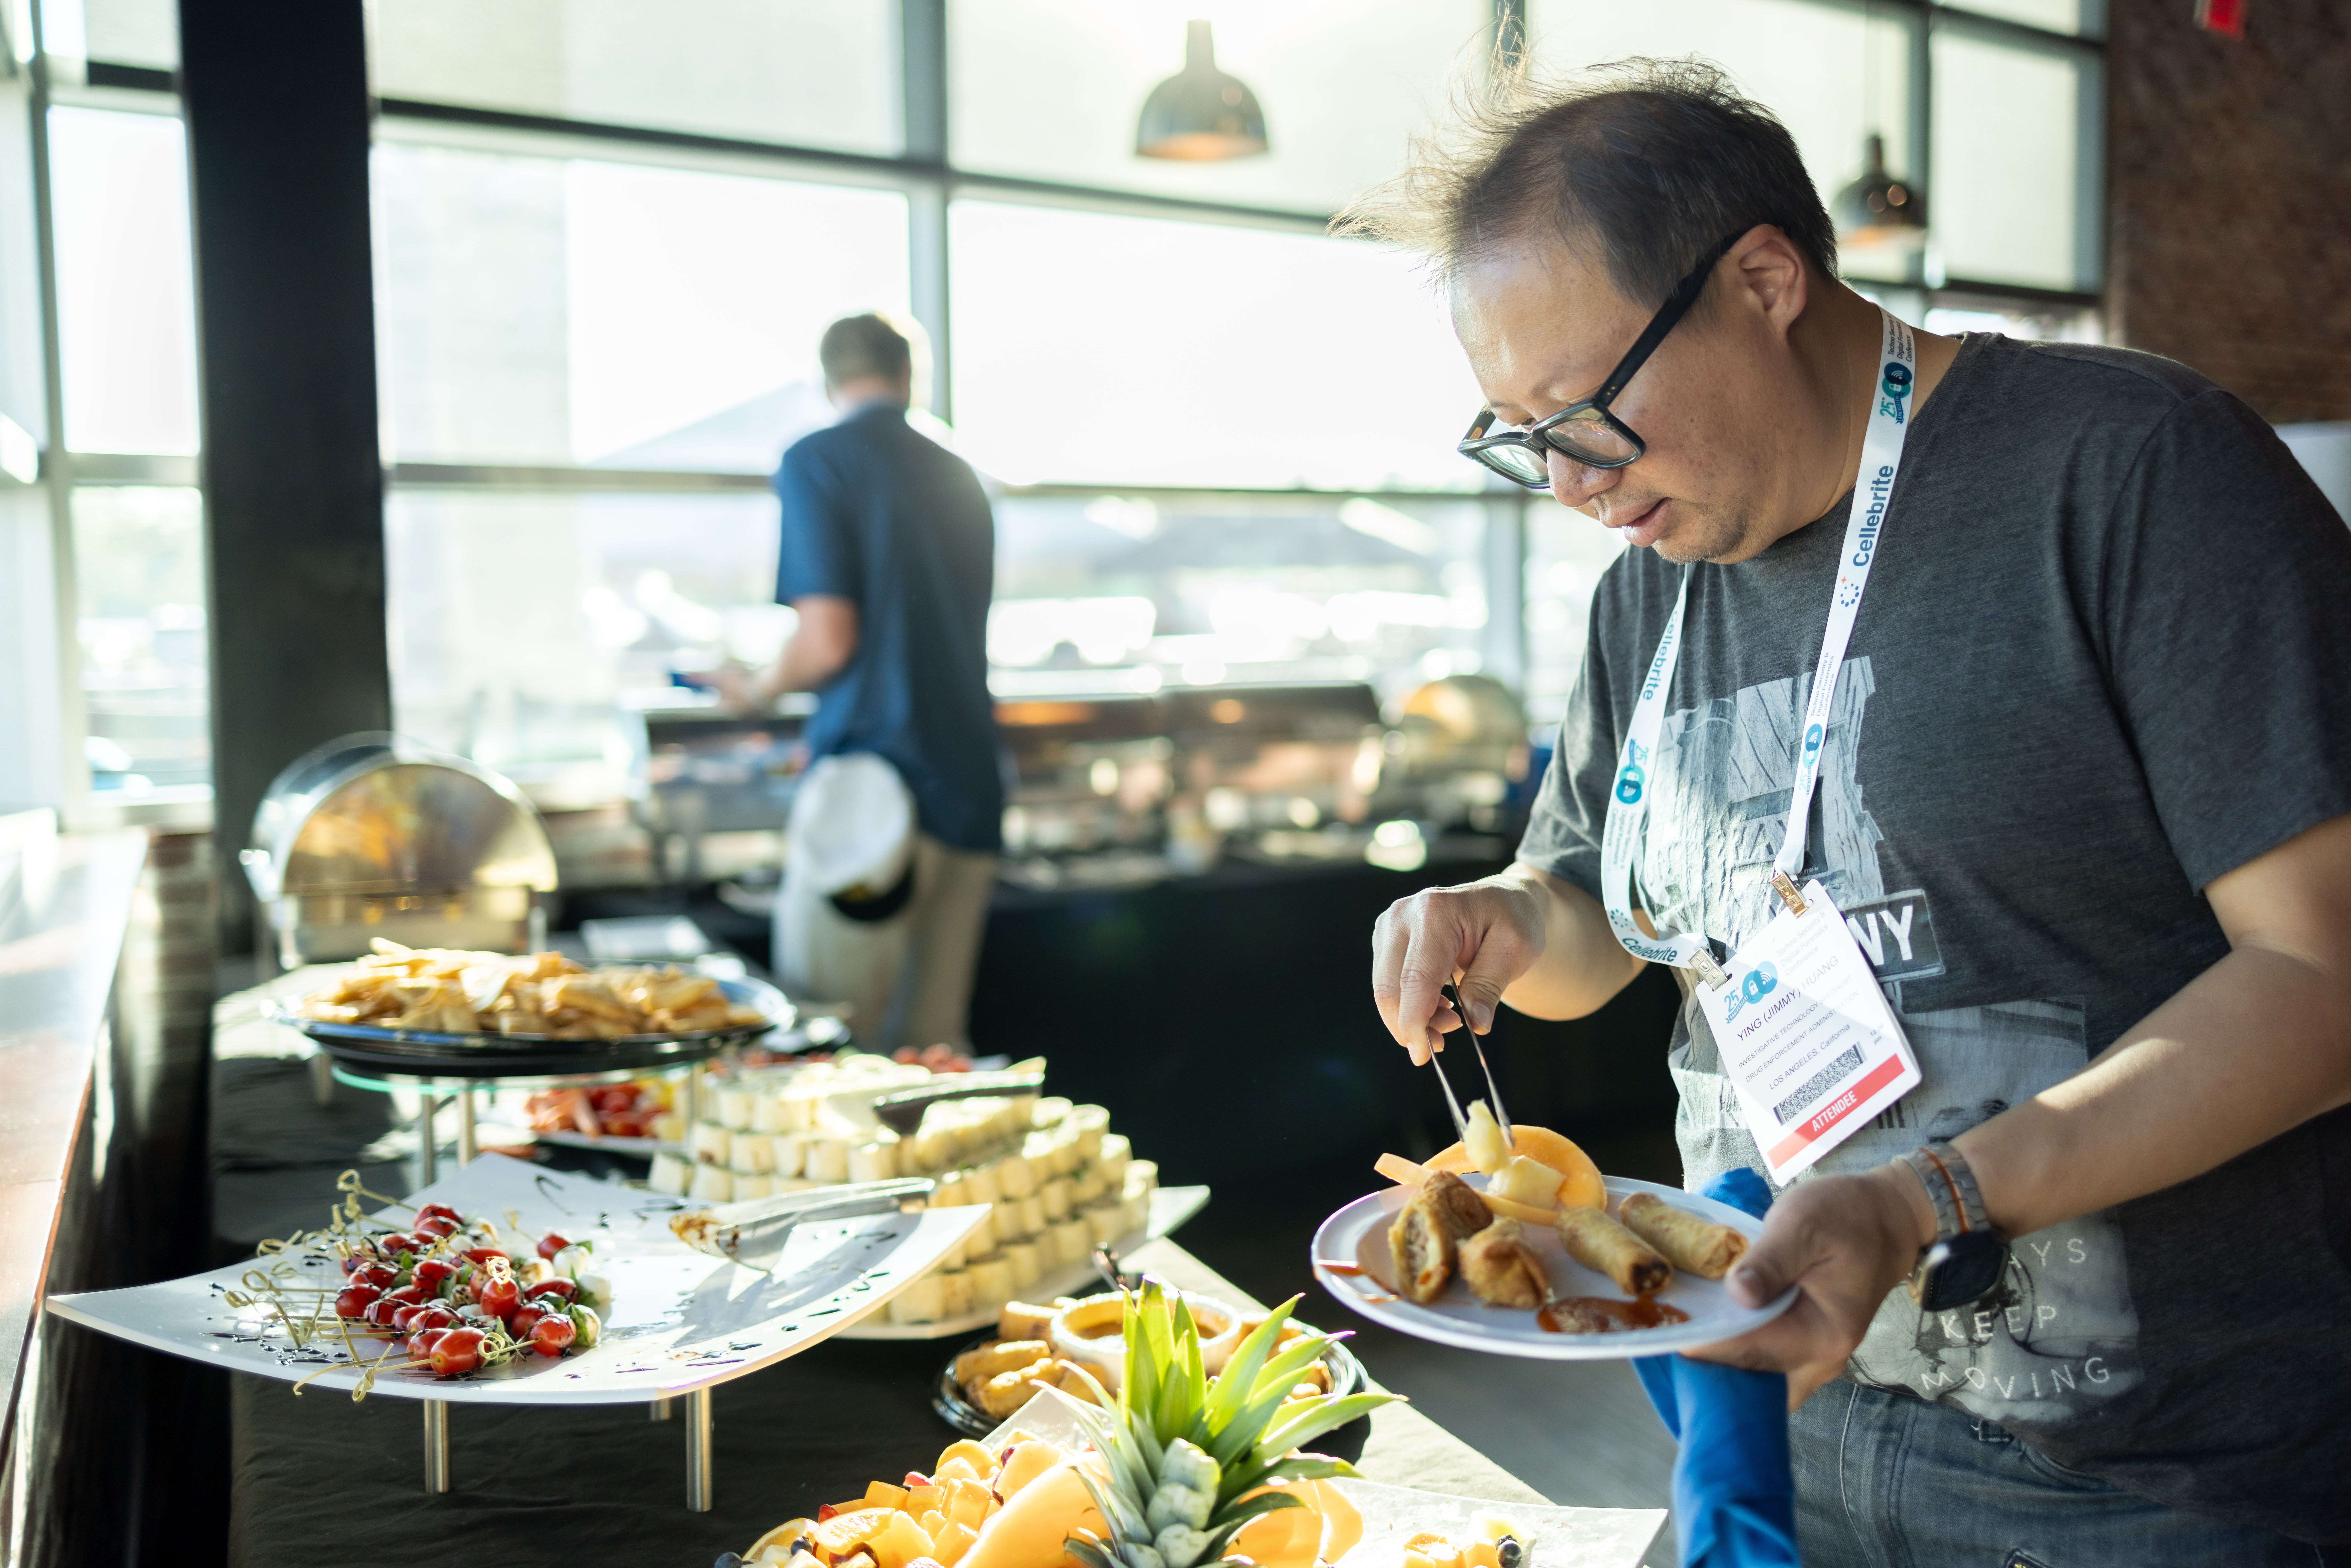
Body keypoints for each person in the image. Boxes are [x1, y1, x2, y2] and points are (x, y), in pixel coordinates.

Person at [1351, 60, 2351, 1565]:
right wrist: (1503, 918)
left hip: (2141, 1479)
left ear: (1763, 278)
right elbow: (1595, 931)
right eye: (1516, 431)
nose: (1564, 481)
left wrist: (1937, 1192)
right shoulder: (1652, 592)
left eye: (1584, 411)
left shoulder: (2135, 474)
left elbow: (2324, 975)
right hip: (1770, 1403)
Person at [717, 313, 1002, 1052]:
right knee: (932, 1053)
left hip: (873, 797)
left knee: (821, 1042)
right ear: (910, 376)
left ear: (828, 380)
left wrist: (753, 689)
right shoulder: (961, 472)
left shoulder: (819, 460)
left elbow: (826, 642)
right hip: (969, 783)